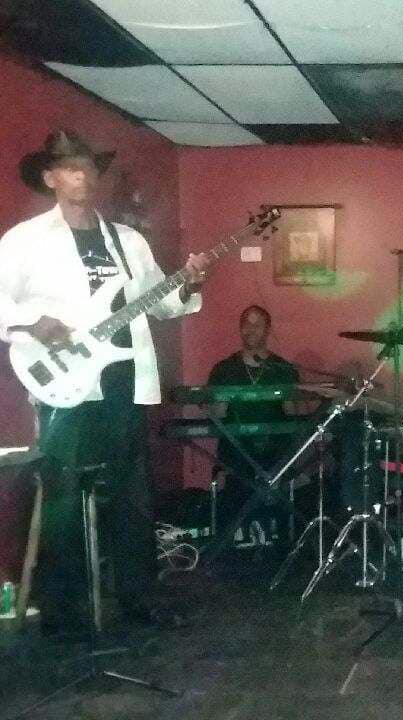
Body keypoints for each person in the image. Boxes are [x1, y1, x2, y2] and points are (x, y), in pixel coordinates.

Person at [0, 129, 210, 633]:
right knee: (64, 495)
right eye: (72, 168)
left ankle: (139, 599)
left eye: (90, 167)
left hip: (123, 378)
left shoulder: (128, 241)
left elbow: (161, 302)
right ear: (50, 178)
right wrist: (33, 323)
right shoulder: (25, 240)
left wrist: (189, 283)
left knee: (132, 492)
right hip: (64, 379)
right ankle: (62, 613)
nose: (84, 176)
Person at [207, 305, 301, 543]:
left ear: (267, 329)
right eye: (246, 324)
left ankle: (279, 543)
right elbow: (216, 416)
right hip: (236, 451)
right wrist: (220, 399)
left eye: (257, 324)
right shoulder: (224, 369)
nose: (250, 329)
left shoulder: (283, 369)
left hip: (275, 452)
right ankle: (236, 543)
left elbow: (294, 415)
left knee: (281, 482)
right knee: (237, 485)